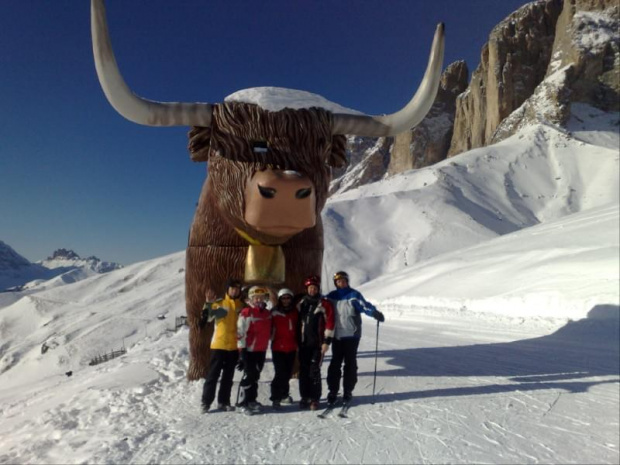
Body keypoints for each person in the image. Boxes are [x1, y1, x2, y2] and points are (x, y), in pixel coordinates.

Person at [326, 271, 384, 406]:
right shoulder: (331, 296)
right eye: (338, 281)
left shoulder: (354, 295)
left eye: (343, 280)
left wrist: (374, 312)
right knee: (335, 364)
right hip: (337, 336)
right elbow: (320, 304)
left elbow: (364, 306)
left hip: (352, 336)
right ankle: (333, 391)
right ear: (336, 283)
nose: (341, 283)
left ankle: (347, 391)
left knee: (350, 364)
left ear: (347, 281)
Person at [199, 278, 244, 413]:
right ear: (227, 289)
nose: (235, 291)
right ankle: (206, 402)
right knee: (213, 375)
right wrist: (208, 303)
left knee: (228, 377)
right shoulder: (220, 304)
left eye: (237, 289)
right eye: (232, 288)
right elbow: (206, 320)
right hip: (219, 346)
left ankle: (223, 402)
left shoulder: (241, 306)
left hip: (233, 347)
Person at [297, 275, 335, 411]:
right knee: (303, 371)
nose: (312, 290)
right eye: (310, 288)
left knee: (314, 370)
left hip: (317, 344)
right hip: (303, 344)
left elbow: (330, 322)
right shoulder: (302, 303)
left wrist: (327, 341)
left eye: (314, 288)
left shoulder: (324, 303)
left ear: (318, 289)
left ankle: (314, 398)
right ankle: (304, 396)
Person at [236, 285, 273, 414]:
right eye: (256, 298)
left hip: (261, 350)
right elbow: (240, 332)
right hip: (249, 350)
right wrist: (241, 352)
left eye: (261, 298)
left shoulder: (267, 313)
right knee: (248, 376)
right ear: (251, 299)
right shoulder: (247, 312)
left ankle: (251, 400)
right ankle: (241, 403)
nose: (258, 300)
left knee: (255, 376)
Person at [269, 288, 298, 409]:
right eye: (283, 298)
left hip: (291, 346)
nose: (286, 300)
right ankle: (276, 397)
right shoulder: (274, 312)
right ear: (280, 299)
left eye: (288, 298)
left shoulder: (295, 311)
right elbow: (268, 326)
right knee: (280, 373)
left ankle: (284, 394)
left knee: (287, 373)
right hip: (278, 347)